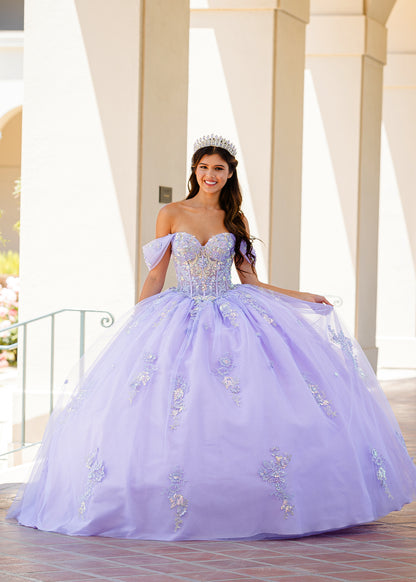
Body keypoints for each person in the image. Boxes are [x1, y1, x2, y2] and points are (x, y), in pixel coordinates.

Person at [7, 134, 416, 540]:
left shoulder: (234, 219)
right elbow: (156, 273)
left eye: (218, 168)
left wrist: (301, 296)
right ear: (194, 170)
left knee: (242, 404)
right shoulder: (171, 213)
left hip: (232, 315)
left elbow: (250, 281)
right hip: (176, 315)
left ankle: (245, 497)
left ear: (230, 173)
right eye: (203, 167)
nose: (210, 174)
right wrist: (137, 318)